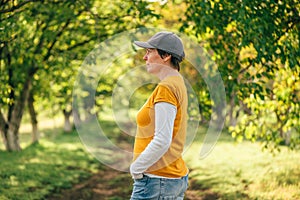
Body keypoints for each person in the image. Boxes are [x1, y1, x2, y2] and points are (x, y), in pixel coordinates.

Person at [130, 31, 189, 200]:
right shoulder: (177, 83)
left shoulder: (167, 87)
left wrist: (136, 168)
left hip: (157, 182)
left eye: (149, 51)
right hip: (169, 180)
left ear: (166, 55)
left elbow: (163, 139)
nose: (144, 57)